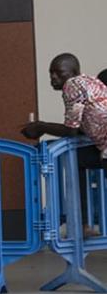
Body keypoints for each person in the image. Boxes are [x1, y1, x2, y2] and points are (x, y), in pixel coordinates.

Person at [21, 53, 107, 227]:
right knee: (78, 159)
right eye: (51, 73)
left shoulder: (72, 85)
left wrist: (41, 127)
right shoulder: (92, 82)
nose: (54, 77)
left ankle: (81, 224)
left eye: (59, 72)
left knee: (76, 159)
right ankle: (82, 224)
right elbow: (87, 122)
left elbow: (70, 130)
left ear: (73, 72)